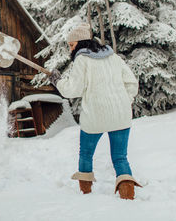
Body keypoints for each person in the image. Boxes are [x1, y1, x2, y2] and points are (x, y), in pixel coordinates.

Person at [49, 23, 142, 200]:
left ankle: (86, 194)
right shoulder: (113, 57)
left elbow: (72, 90)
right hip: (121, 115)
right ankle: (128, 196)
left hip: (95, 116)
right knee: (120, 157)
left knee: (85, 154)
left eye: (71, 44)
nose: (70, 49)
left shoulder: (82, 59)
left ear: (81, 43)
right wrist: (124, 101)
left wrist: (57, 81)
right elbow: (131, 83)